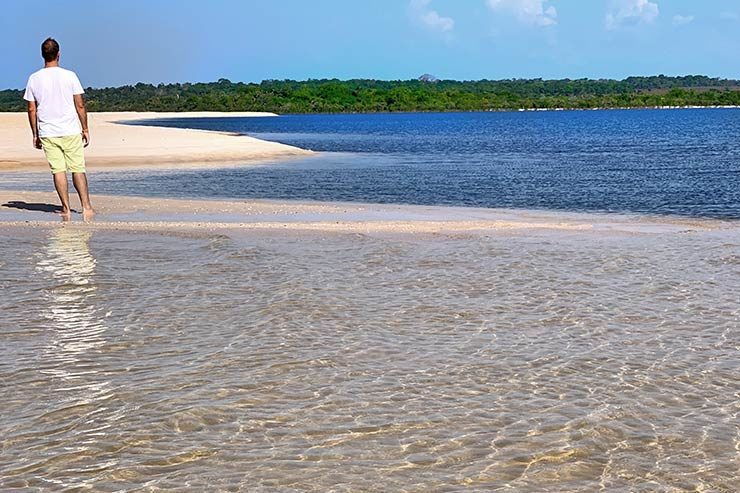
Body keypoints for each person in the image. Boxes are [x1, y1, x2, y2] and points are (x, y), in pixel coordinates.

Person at [24, 37, 94, 220]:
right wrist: (85, 128)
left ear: (42, 55)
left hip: (48, 132)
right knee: (78, 168)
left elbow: (32, 108)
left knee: (58, 170)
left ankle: (66, 208)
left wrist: (35, 134)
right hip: (70, 129)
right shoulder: (70, 75)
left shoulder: (34, 78)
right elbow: (80, 104)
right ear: (59, 54)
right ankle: (86, 207)